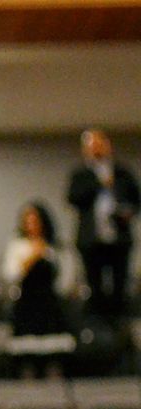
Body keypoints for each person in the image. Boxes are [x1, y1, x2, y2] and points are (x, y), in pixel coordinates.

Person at [66, 129, 140, 319]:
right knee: (95, 288)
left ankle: (120, 332)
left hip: (119, 240)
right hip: (91, 241)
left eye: (101, 143)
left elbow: (136, 200)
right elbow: (73, 198)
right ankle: (98, 332)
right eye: (93, 145)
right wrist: (100, 184)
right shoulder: (81, 174)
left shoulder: (122, 171)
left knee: (120, 289)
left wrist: (128, 213)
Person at [2, 202, 76, 379]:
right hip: (27, 306)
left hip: (50, 306)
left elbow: (65, 279)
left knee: (54, 361)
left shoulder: (55, 247)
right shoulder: (17, 246)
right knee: (27, 361)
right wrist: (31, 257)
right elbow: (10, 275)